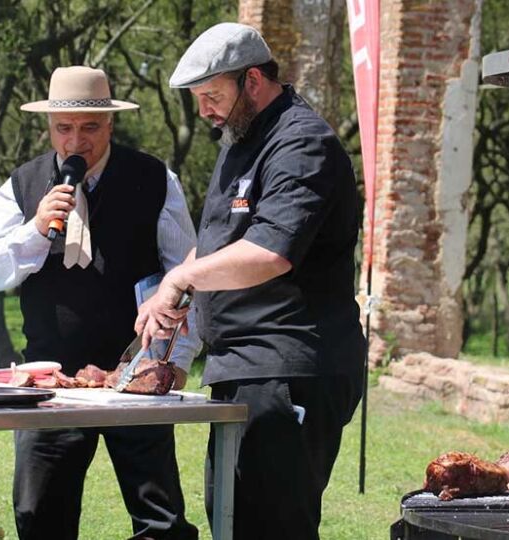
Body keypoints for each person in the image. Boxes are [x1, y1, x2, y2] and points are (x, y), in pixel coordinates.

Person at [136, 23, 366, 540]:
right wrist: (174, 288)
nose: (205, 111)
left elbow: (270, 252)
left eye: (213, 96)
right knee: (232, 518)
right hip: (241, 366)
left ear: (254, 80)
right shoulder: (240, 138)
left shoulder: (303, 143)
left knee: (272, 525)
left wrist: (183, 276)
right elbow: (221, 243)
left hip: (291, 366)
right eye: (198, 99)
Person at [0, 66, 199, 540]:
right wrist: (36, 228)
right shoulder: (22, 185)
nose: (76, 142)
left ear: (111, 124)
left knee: (161, 522)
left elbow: (188, 277)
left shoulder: (155, 179)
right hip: (49, 382)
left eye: (90, 128)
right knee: (40, 520)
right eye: (64, 129)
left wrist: (175, 361)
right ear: (49, 127)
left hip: (134, 375)